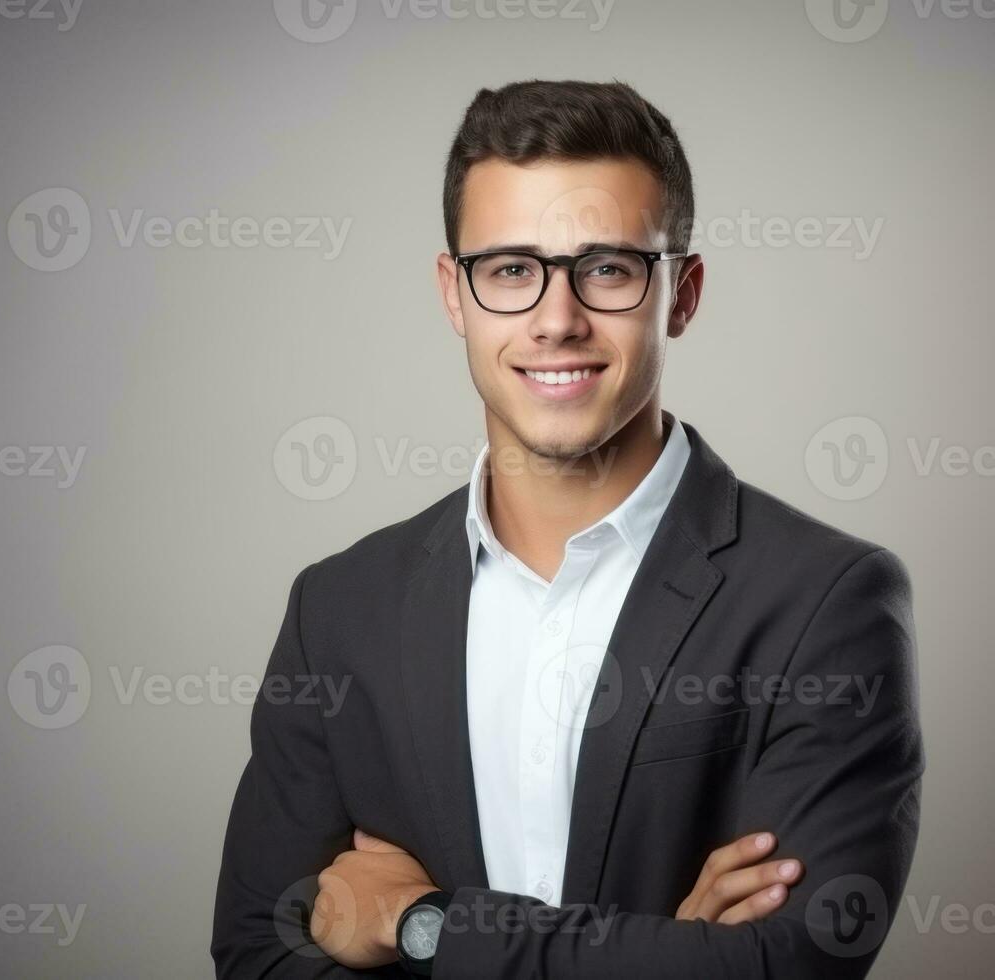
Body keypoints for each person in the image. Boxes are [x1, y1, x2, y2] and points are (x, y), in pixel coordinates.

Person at [212, 79, 924, 979]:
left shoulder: (825, 601)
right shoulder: (338, 609)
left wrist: (421, 924)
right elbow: (256, 957)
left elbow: (788, 966)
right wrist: (670, 954)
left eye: (609, 269)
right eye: (511, 268)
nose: (557, 320)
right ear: (453, 295)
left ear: (683, 293)